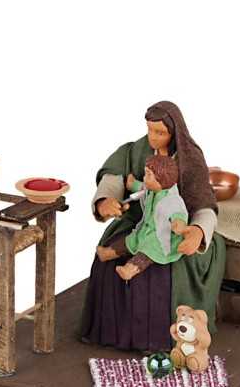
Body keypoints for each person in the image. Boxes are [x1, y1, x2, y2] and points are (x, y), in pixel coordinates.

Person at [78, 100, 226, 352]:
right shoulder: (135, 151)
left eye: (160, 132)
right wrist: (105, 201)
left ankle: (160, 340)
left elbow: (204, 203)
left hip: (177, 230)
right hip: (139, 224)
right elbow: (115, 176)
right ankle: (111, 333)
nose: (153, 137)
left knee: (161, 271)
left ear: (174, 132)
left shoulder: (190, 159)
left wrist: (198, 231)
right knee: (110, 257)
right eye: (150, 129)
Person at [96, 155, 188, 281]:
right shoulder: (151, 190)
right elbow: (141, 188)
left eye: (148, 175)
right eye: (145, 174)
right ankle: (107, 253)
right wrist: (132, 184)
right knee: (132, 240)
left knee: (149, 249)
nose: (144, 178)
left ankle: (130, 269)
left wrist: (179, 224)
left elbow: (179, 213)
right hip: (147, 229)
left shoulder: (173, 200)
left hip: (162, 235)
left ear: (162, 179)